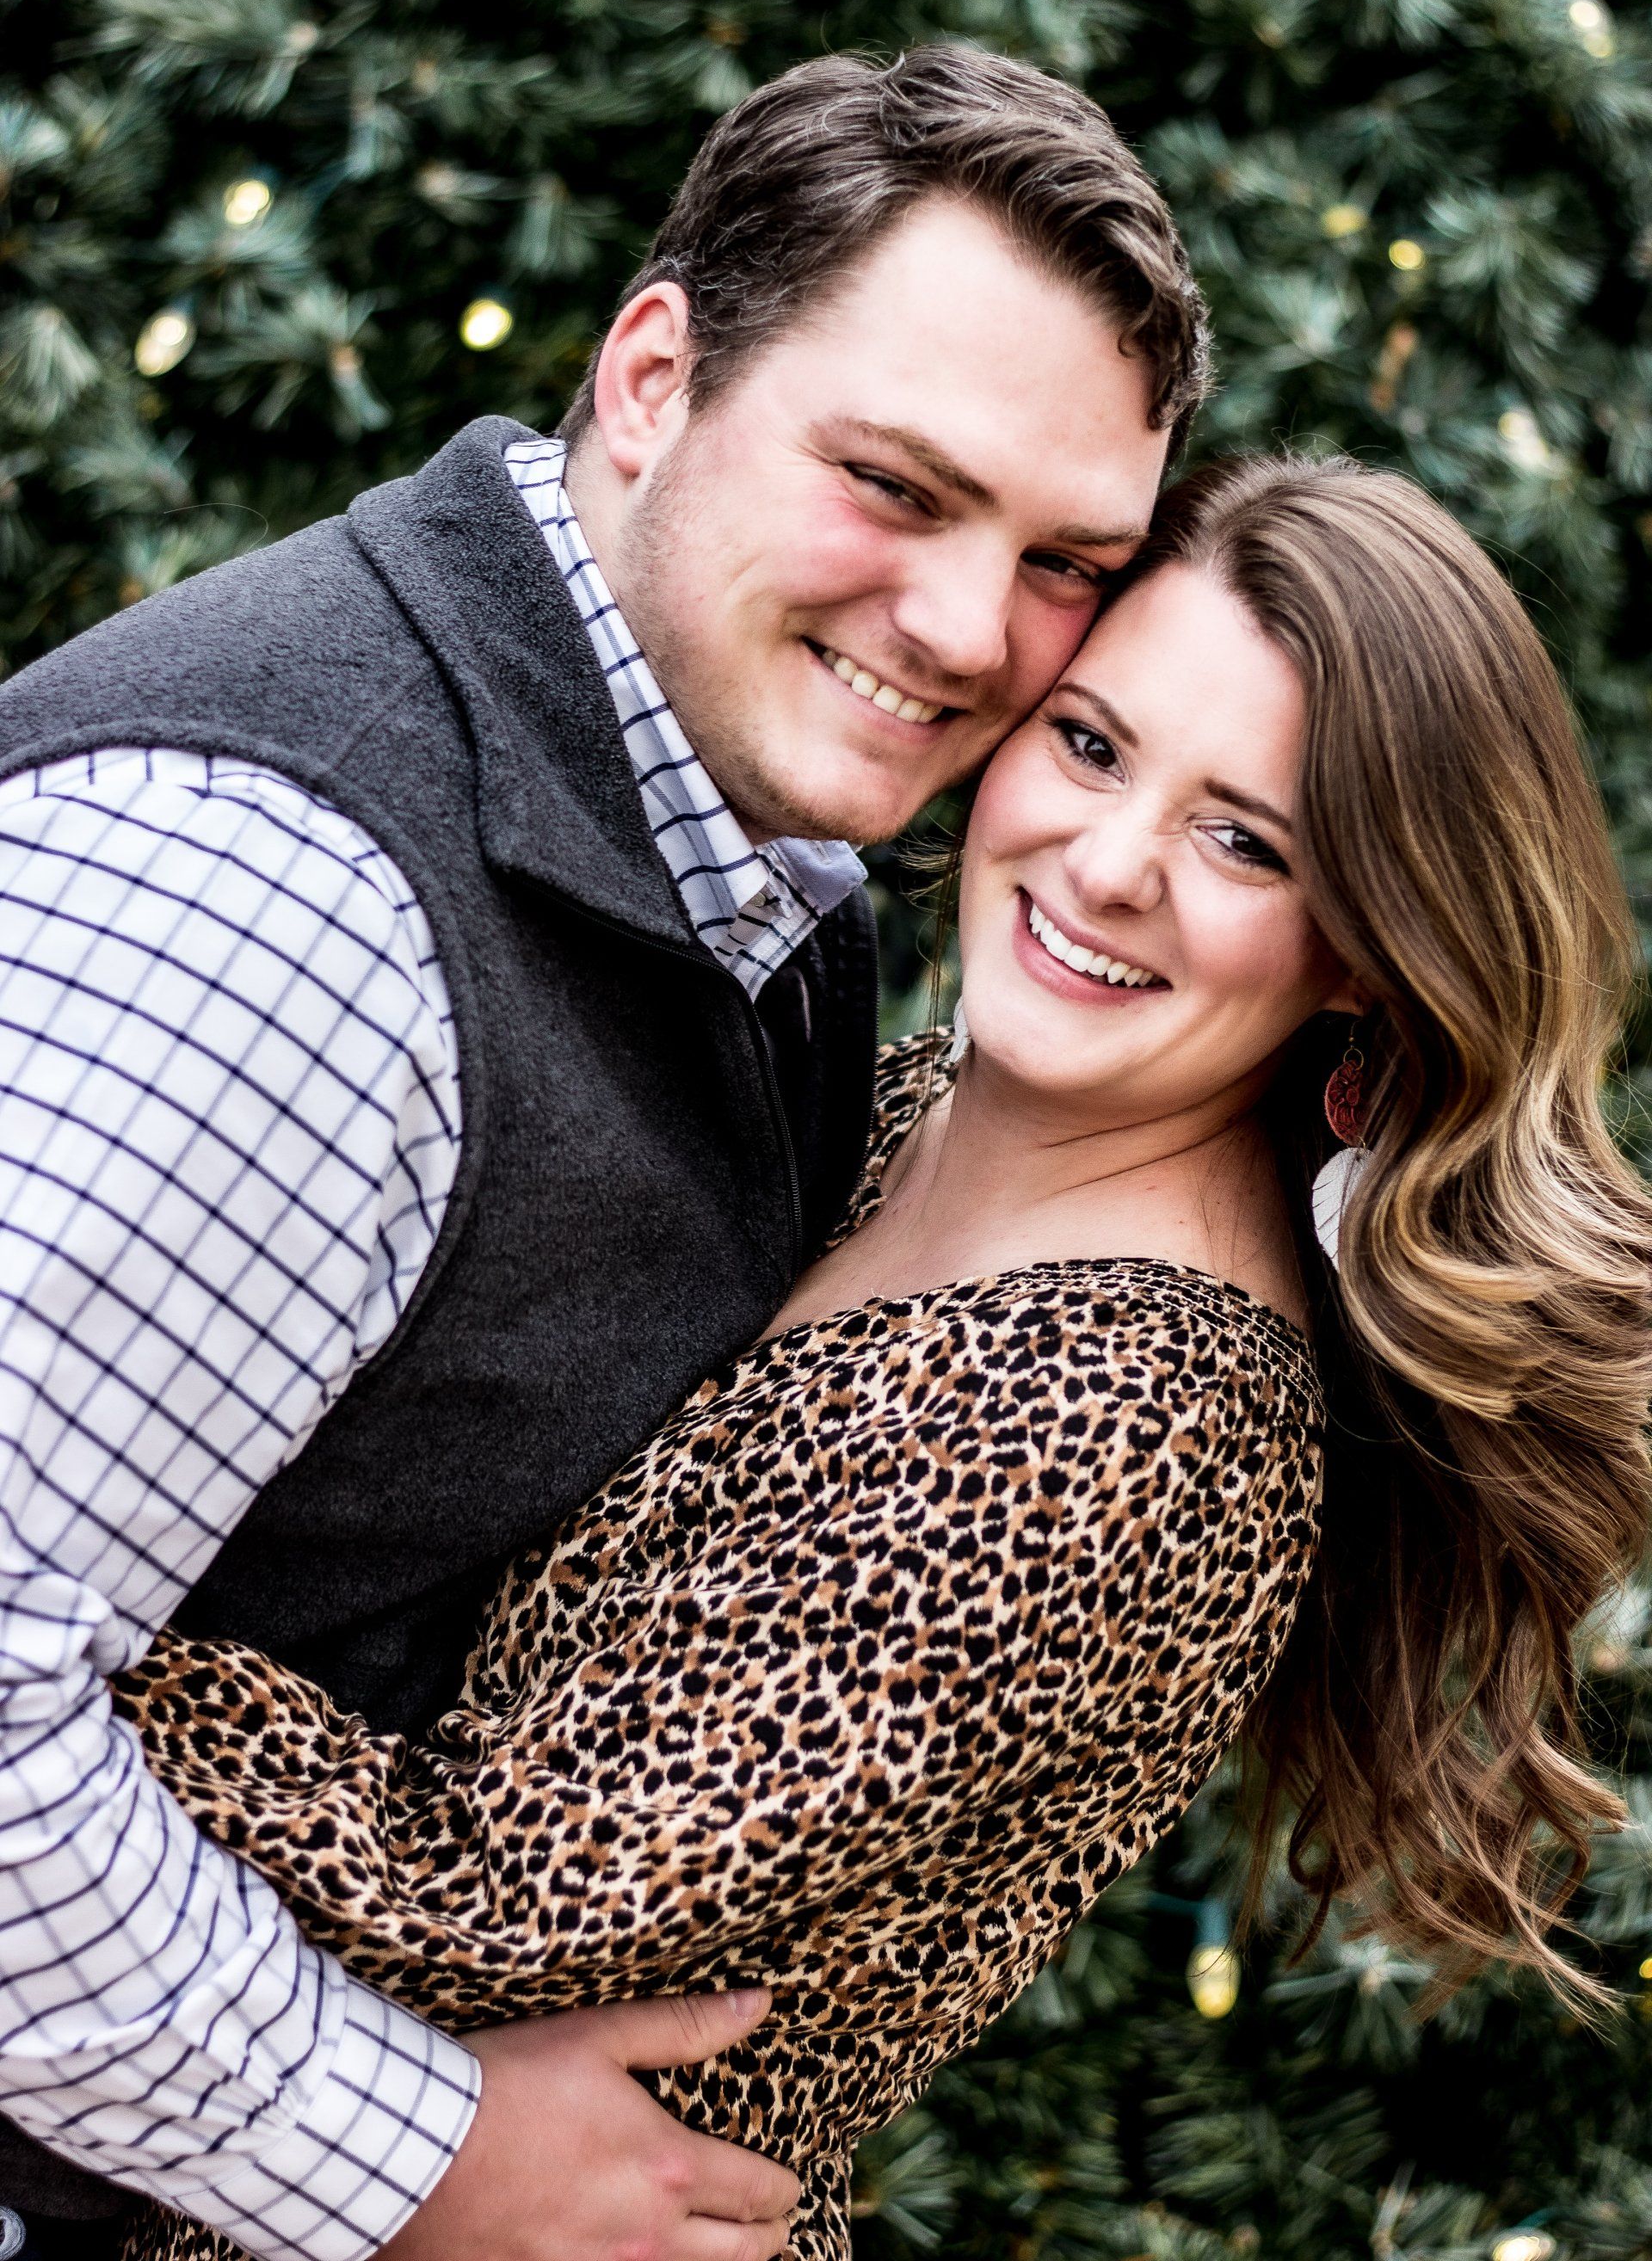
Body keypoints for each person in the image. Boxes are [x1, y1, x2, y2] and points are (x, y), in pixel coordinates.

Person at [105, 454, 1652, 2261]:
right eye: (1088, 742)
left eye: (1246, 843)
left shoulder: (1127, 1419)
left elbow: (486, 1901)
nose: (1108, 863)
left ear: (1369, 959)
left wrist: (60, 1648)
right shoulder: (902, 1102)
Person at [0, 47, 1204, 2260]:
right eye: (895, 485)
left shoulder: (769, 893)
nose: (963, 629)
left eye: (1064, 562)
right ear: (651, 376)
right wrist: (413, 2155)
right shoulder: (289, 893)